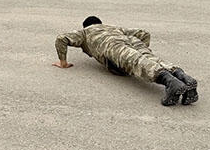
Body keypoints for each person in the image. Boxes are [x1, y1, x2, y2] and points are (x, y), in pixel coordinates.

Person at [53, 16, 199, 106]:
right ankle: (184, 79)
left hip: (113, 47)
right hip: (132, 40)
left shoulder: (85, 32)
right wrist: (142, 50)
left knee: (138, 62)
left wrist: (63, 62)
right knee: (152, 59)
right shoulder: (113, 27)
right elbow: (143, 33)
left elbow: (61, 38)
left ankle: (170, 83)